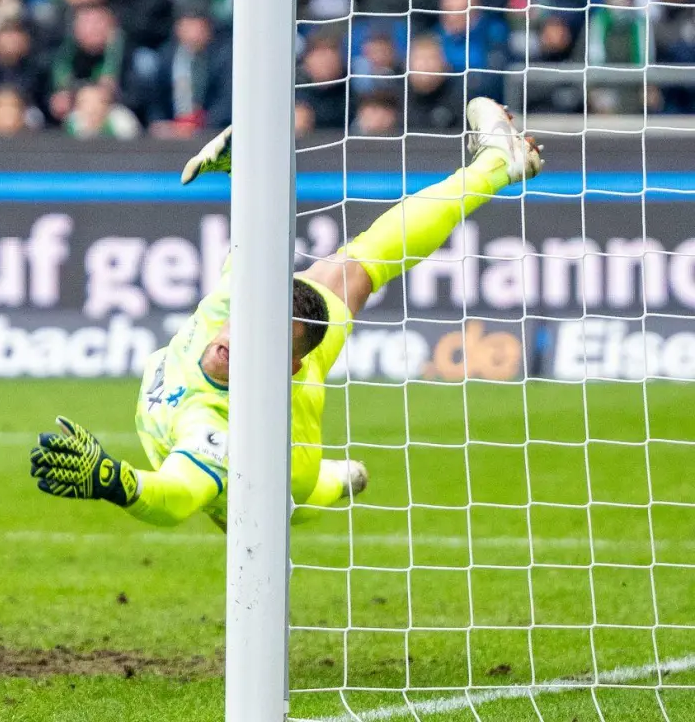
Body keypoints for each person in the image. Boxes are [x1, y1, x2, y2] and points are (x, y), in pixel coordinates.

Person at [29, 99, 545, 531]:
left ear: (287, 366)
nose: (239, 339)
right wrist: (246, 171)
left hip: (285, 461)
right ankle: (497, 164)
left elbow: (176, 497)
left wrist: (114, 480)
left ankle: (332, 480)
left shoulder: (218, 430)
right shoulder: (239, 299)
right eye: (249, 325)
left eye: (267, 345)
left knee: (262, 505)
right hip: (272, 376)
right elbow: (254, 240)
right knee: (356, 266)